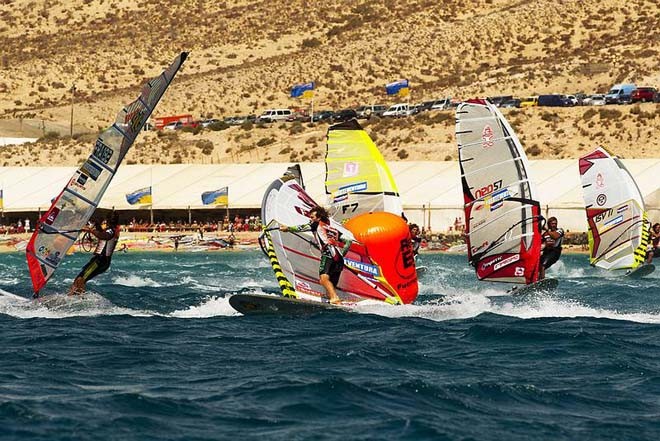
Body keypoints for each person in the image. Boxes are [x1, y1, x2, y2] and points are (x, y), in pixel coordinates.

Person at [280, 206, 352, 304]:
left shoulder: (316, 224)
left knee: (323, 280)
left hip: (328, 254)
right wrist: (342, 254)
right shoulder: (333, 229)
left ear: (318, 218)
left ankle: (334, 298)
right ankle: (332, 298)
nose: (311, 219)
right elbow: (348, 241)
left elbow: (301, 228)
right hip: (338, 258)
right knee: (331, 282)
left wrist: (287, 228)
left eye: (312, 217)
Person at [68, 213, 120, 295]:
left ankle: (76, 298)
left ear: (108, 221)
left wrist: (91, 230)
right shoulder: (113, 230)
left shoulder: (111, 230)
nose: (104, 223)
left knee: (80, 279)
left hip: (100, 261)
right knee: (81, 279)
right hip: (102, 261)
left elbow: (104, 236)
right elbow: (101, 232)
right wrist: (94, 225)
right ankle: (75, 296)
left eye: (105, 221)